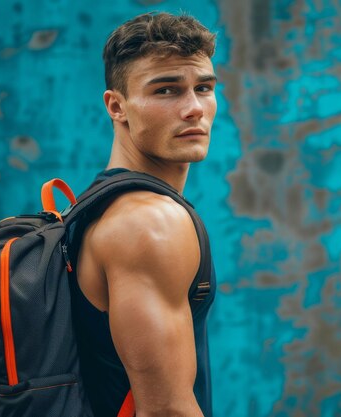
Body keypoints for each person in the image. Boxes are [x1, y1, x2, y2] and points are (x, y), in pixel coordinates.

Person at [70, 12, 218, 417]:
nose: (194, 109)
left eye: (203, 88)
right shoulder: (149, 224)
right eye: (167, 90)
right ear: (117, 106)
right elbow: (166, 410)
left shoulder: (99, 206)